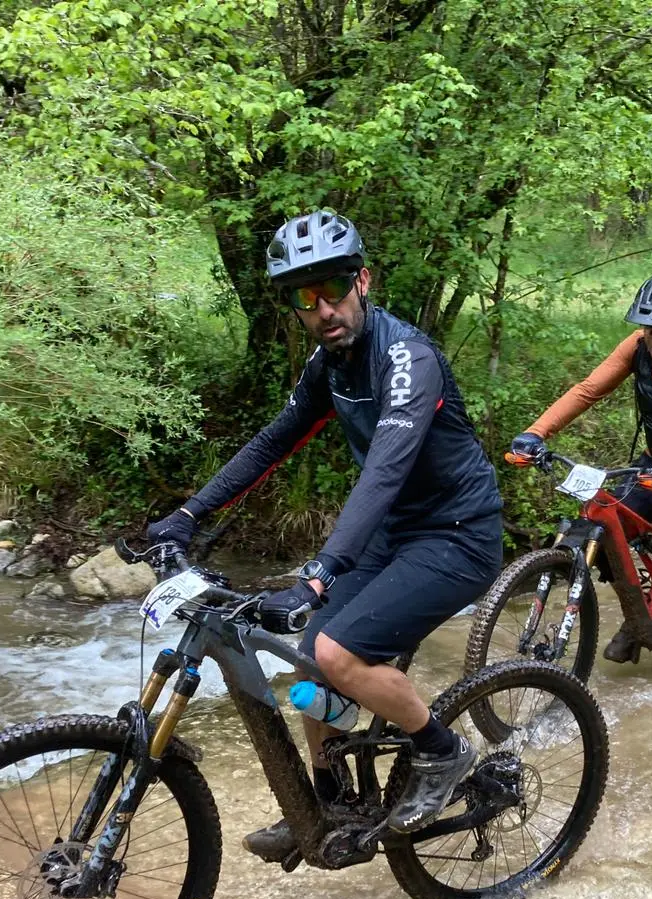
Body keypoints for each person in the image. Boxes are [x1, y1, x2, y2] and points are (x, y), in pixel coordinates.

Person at [146, 210, 503, 861]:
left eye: (334, 289)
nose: (324, 309)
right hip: (393, 534)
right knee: (311, 661)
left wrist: (321, 573)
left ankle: (444, 752)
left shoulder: (407, 358)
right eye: (305, 298)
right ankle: (329, 803)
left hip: (457, 535)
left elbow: (387, 470)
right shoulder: (330, 364)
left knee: (338, 652)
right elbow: (272, 443)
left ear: (362, 281)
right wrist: (189, 515)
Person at [510, 268, 652, 664]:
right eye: (648, 329)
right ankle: (643, 611)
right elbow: (588, 390)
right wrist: (536, 433)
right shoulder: (637, 346)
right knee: (610, 526)